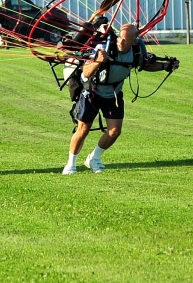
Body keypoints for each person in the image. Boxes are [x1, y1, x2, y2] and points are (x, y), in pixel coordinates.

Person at [62, 23, 179, 174]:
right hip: (92, 92)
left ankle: (93, 159)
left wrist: (165, 66)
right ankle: (70, 164)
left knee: (114, 131)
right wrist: (98, 61)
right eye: (119, 38)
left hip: (113, 95)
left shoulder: (137, 50)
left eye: (125, 40)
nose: (121, 42)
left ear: (134, 41)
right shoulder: (104, 47)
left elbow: (143, 65)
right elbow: (85, 73)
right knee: (83, 129)